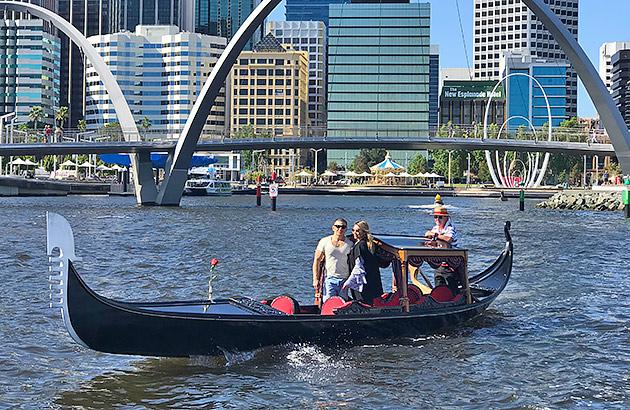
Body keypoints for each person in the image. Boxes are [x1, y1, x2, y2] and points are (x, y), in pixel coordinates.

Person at [312, 218, 353, 302]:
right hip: (329, 278)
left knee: (342, 304)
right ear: (333, 228)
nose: (340, 229)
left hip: (344, 280)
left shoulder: (349, 244)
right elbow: (317, 260)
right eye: (337, 226)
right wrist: (315, 279)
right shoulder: (324, 241)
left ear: (346, 229)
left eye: (343, 227)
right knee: (328, 303)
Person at [345, 221, 383, 305]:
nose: (355, 233)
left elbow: (358, 267)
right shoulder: (370, 244)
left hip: (363, 284)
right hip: (373, 281)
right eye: (353, 230)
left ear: (364, 232)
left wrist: (349, 282)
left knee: (363, 304)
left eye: (358, 231)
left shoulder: (360, 245)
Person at [424, 207, 460, 294]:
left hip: (450, 265)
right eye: (435, 217)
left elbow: (449, 239)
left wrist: (434, 235)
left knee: (452, 290)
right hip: (438, 265)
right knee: (439, 290)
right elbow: (432, 242)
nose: (437, 219)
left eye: (440, 217)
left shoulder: (450, 228)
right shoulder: (435, 228)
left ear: (447, 218)